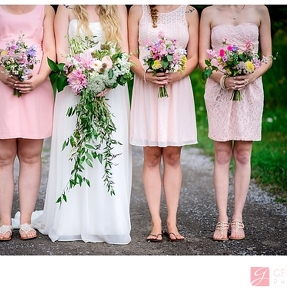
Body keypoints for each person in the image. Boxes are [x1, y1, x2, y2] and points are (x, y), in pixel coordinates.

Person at [33, 4, 132, 244]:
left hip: (111, 91)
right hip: (74, 88)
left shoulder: (117, 7)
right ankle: (71, 220)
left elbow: (123, 51)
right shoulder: (66, 7)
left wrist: (109, 79)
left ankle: (109, 222)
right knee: (75, 149)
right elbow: (61, 53)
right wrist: (82, 76)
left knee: (108, 150)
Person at [0, 5, 55, 241]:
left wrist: (39, 79)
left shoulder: (45, 8)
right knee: (1, 156)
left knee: (31, 155)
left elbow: (50, 49)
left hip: (35, 86)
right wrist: (0, 71)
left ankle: (26, 220)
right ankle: (5, 222)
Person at [198, 5, 273, 241]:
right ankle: (222, 218)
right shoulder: (208, 12)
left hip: (249, 89)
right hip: (219, 88)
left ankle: (237, 217)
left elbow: (267, 57)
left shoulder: (260, 10)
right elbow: (202, 59)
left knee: (243, 154)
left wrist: (249, 76)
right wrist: (223, 80)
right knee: (221, 155)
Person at [128, 5, 199, 242]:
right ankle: (156, 222)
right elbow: (130, 54)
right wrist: (147, 74)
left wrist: (176, 75)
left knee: (172, 156)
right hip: (147, 87)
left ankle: (172, 221)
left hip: (177, 88)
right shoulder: (138, 9)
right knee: (151, 156)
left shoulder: (189, 11)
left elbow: (194, 57)